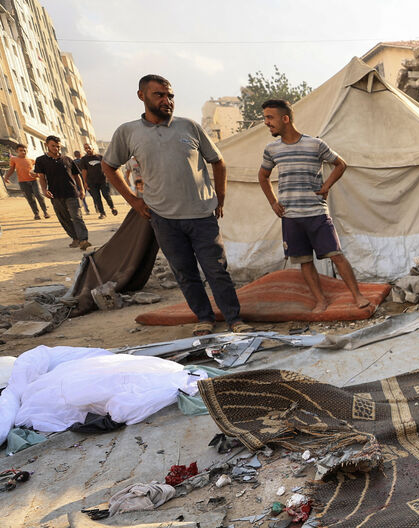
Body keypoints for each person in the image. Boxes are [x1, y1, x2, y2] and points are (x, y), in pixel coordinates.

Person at [102, 74, 249, 336]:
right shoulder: (128, 132)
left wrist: (220, 197)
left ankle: (234, 319)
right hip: (163, 218)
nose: (167, 100)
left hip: (202, 214)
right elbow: (109, 166)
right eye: (159, 95)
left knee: (216, 270)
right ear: (142, 96)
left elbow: (218, 161)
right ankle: (204, 317)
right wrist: (134, 201)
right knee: (184, 272)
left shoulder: (189, 126)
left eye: (170, 95)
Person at [256, 98, 369, 312]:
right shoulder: (271, 149)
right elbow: (263, 176)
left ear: (285, 119)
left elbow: (340, 164)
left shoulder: (315, 144)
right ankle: (321, 300)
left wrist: (326, 186)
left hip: (316, 212)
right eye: (265, 118)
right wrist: (273, 202)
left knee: (336, 255)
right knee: (304, 261)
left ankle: (358, 296)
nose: (266, 123)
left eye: (270, 118)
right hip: (290, 216)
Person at [34, 135, 91, 251]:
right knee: (64, 218)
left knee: (76, 216)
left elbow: (76, 176)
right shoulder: (41, 160)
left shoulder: (67, 159)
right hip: (55, 194)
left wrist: (81, 189)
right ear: (47, 145)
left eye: (58, 146)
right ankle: (75, 238)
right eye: (53, 146)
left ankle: (83, 240)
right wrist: (44, 190)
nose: (56, 148)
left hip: (71, 192)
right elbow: (41, 177)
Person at [5, 144, 49, 219]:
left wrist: (37, 174)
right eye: (21, 150)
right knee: (30, 198)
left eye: (24, 150)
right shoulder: (14, 159)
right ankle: (36, 214)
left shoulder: (31, 160)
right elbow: (12, 169)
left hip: (34, 181)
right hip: (23, 182)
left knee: (39, 195)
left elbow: (39, 168)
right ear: (17, 151)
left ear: (27, 150)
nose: (23, 152)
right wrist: (6, 176)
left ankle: (45, 212)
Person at [79, 145, 118, 219]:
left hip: (103, 180)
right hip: (91, 182)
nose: (88, 149)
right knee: (97, 198)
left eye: (89, 148)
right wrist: (85, 182)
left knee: (106, 194)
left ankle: (112, 208)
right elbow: (84, 171)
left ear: (92, 148)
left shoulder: (100, 157)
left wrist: (108, 177)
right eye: (86, 148)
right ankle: (102, 213)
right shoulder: (84, 159)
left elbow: (106, 167)